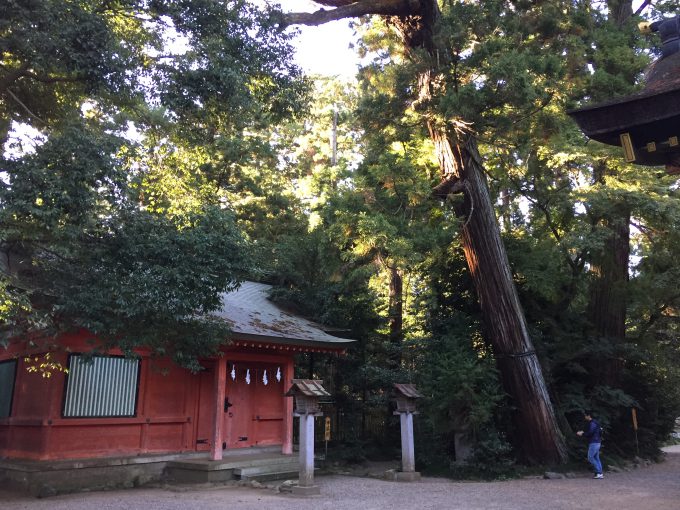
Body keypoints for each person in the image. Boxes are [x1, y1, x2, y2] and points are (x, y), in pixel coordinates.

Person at [577, 410, 604, 479]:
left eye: (585, 415)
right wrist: (584, 432)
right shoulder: (595, 423)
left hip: (594, 442)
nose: (585, 417)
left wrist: (582, 433)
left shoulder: (592, 423)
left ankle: (599, 472)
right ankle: (600, 473)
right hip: (597, 442)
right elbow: (595, 431)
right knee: (596, 457)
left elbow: (590, 433)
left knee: (590, 457)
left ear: (589, 416)